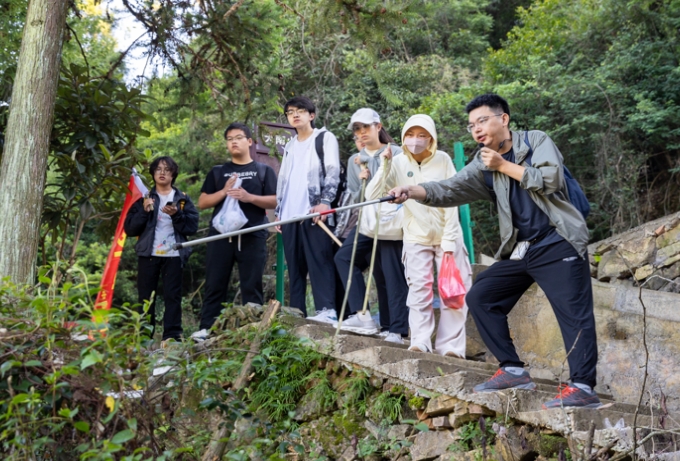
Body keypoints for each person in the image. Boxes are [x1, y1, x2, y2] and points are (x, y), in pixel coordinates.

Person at [388, 94, 600, 409]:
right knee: (481, 296)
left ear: (504, 119)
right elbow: (450, 188)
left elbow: (551, 179)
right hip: (522, 248)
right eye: (471, 125)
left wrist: (503, 165)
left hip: (558, 241)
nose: (476, 129)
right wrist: (412, 191)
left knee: (573, 313)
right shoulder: (481, 161)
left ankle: (582, 386)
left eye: (483, 120)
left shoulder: (535, 141)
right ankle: (513, 369)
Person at [368, 114, 472, 356]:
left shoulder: (443, 160)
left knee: (453, 293)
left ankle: (451, 348)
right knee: (418, 292)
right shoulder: (398, 161)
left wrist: (448, 243)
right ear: (403, 138)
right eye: (411, 135)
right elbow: (372, 195)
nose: (416, 140)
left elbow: (452, 197)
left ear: (431, 138)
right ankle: (420, 341)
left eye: (422, 135)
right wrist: (384, 164)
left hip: (448, 235)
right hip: (416, 237)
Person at [328, 108, 409, 344]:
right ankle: (362, 315)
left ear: (378, 126)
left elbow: (405, 182)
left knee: (389, 271)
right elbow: (355, 197)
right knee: (344, 257)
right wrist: (363, 178)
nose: (361, 133)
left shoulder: (396, 152)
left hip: (392, 218)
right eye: (357, 129)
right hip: (367, 220)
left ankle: (396, 328)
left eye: (365, 127)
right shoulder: (355, 160)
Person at [192, 122, 277, 340]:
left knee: (252, 282)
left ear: (249, 141)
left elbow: (276, 200)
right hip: (221, 235)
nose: (234, 142)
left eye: (238, 137)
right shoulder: (218, 171)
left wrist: (250, 198)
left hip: (253, 234)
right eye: (229, 139)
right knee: (215, 281)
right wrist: (223, 191)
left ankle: (254, 328)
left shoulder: (262, 171)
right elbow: (202, 202)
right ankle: (207, 328)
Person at [275, 96, 342, 317]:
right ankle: (296, 313)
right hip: (289, 216)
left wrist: (325, 203)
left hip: (314, 212)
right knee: (295, 269)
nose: (294, 115)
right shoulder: (290, 146)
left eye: (300, 111)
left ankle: (327, 310)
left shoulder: (324, 138)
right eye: (290, 112)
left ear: (311, 115)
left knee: (320, 262)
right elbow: (283, 180)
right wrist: (279, 212)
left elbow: (333, 171)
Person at [124, 156, 199, 343]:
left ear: (173, 174)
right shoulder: (145, 198)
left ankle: (172, 337)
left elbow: (192, 227)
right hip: (148, 254)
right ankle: (144, 337)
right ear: (153, 174)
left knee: (172, 297)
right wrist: (143, 211)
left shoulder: (182, 199)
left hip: (174, 254)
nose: (162, 172)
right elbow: (130, 229)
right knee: (145, 298)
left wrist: (177, 215)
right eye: (158, 169)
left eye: (167, 169)